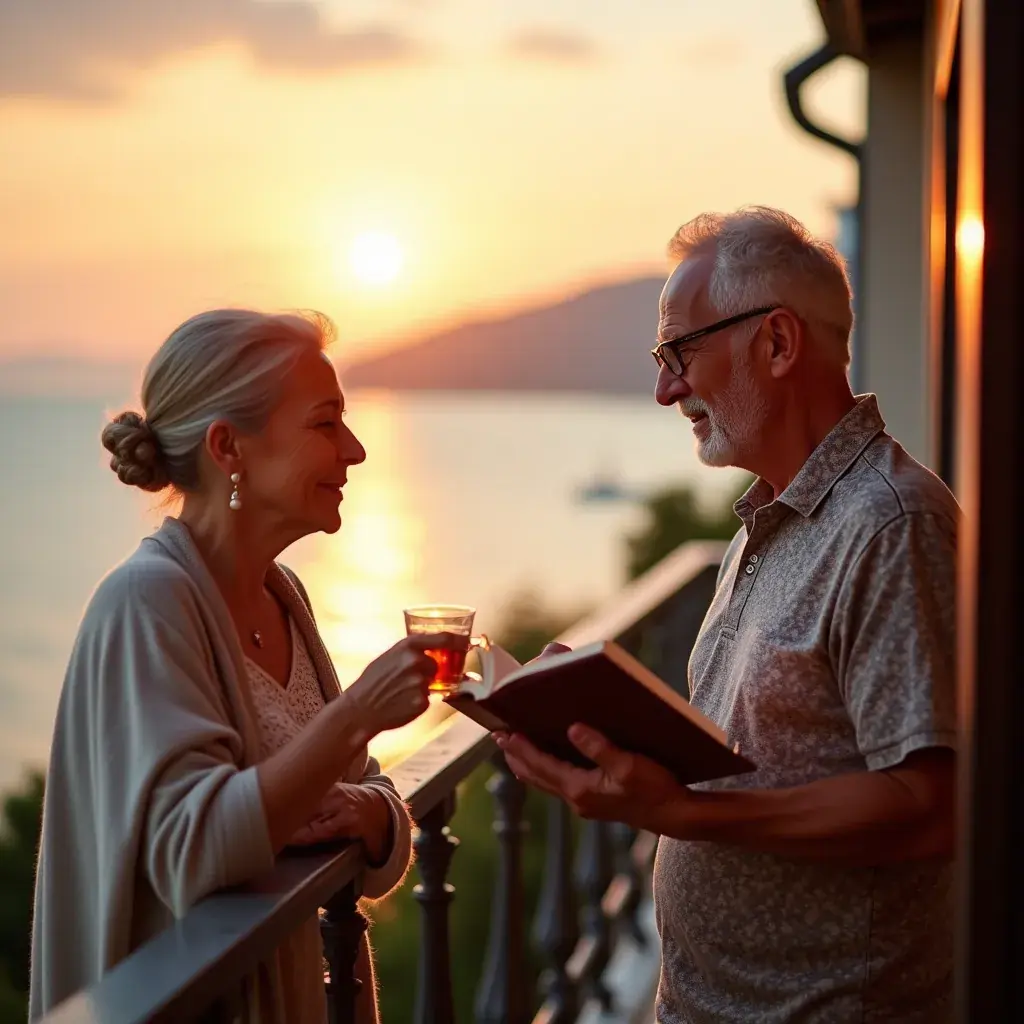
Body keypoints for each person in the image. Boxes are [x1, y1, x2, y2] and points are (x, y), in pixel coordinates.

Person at [499, 206, 958, 1023]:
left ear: (777, 344)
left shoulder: (890, 524)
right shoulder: (768, 525)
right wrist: (607, 707)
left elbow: (928, 806)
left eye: (680, 353)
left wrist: (680, 813)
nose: (665, 388)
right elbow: (783, 741)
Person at [29, 309, 464, 1023]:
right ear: (229, 447)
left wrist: (370, 815)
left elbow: (372, 811)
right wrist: (356, 714)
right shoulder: (148, 604)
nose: (354, 450)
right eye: (325, 424)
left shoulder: (281, 593)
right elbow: (195, 852)